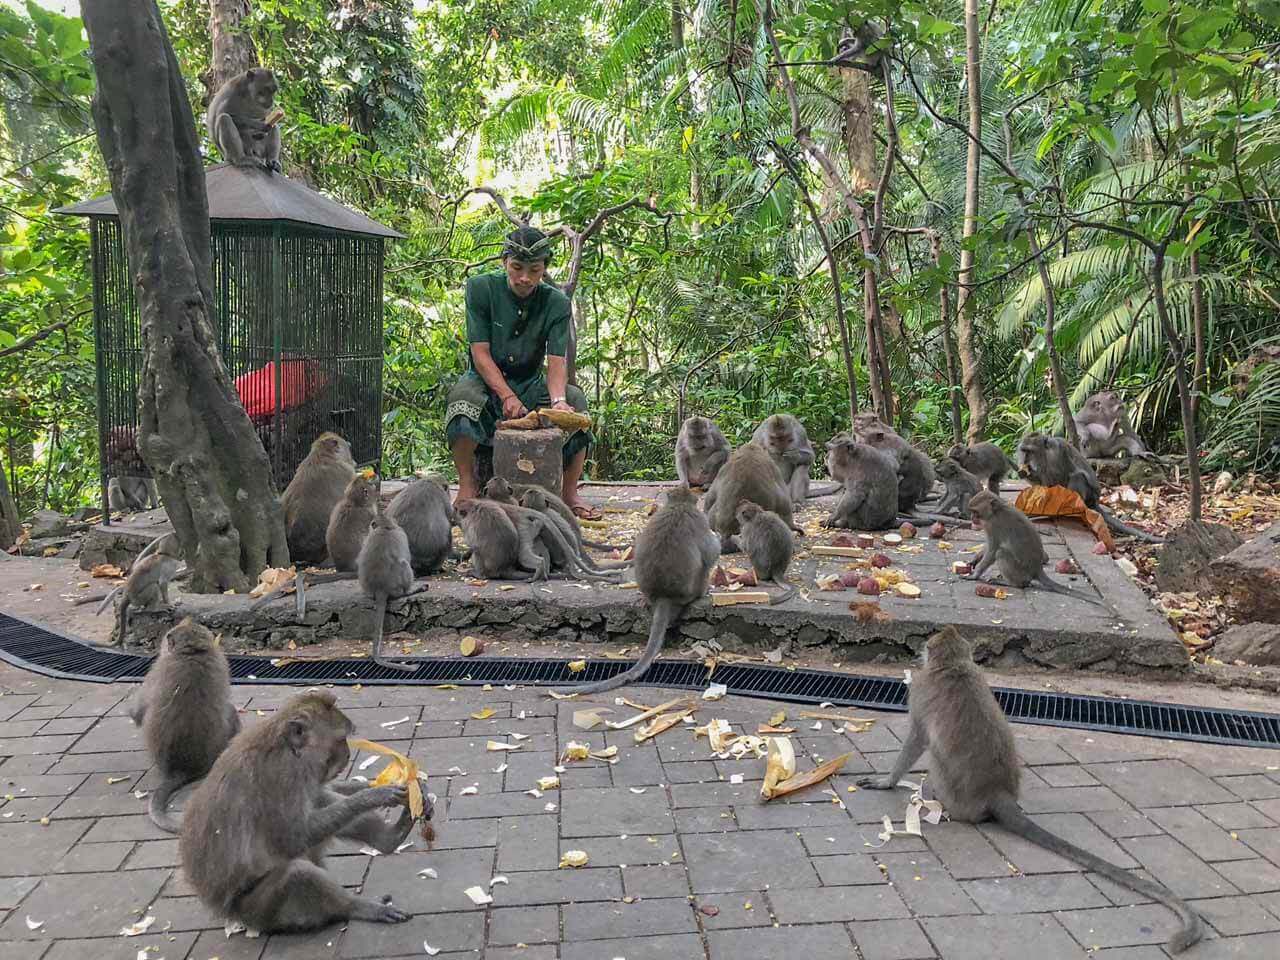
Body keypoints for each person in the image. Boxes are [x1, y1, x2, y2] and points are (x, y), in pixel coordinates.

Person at [445, 226, 600, 519]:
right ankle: (467, 485)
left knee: (576, 402)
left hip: (531, 381)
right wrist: (506, 395)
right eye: (517, 268)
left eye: (534, 270)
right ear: (504, 262)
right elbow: (480, 353)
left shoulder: (556, 302)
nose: (525, 278)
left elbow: (557, 362)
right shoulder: (480, 288)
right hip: (484, 380)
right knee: (461, 401)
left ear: (544, 269)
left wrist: (558, 402)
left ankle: (569, 493)